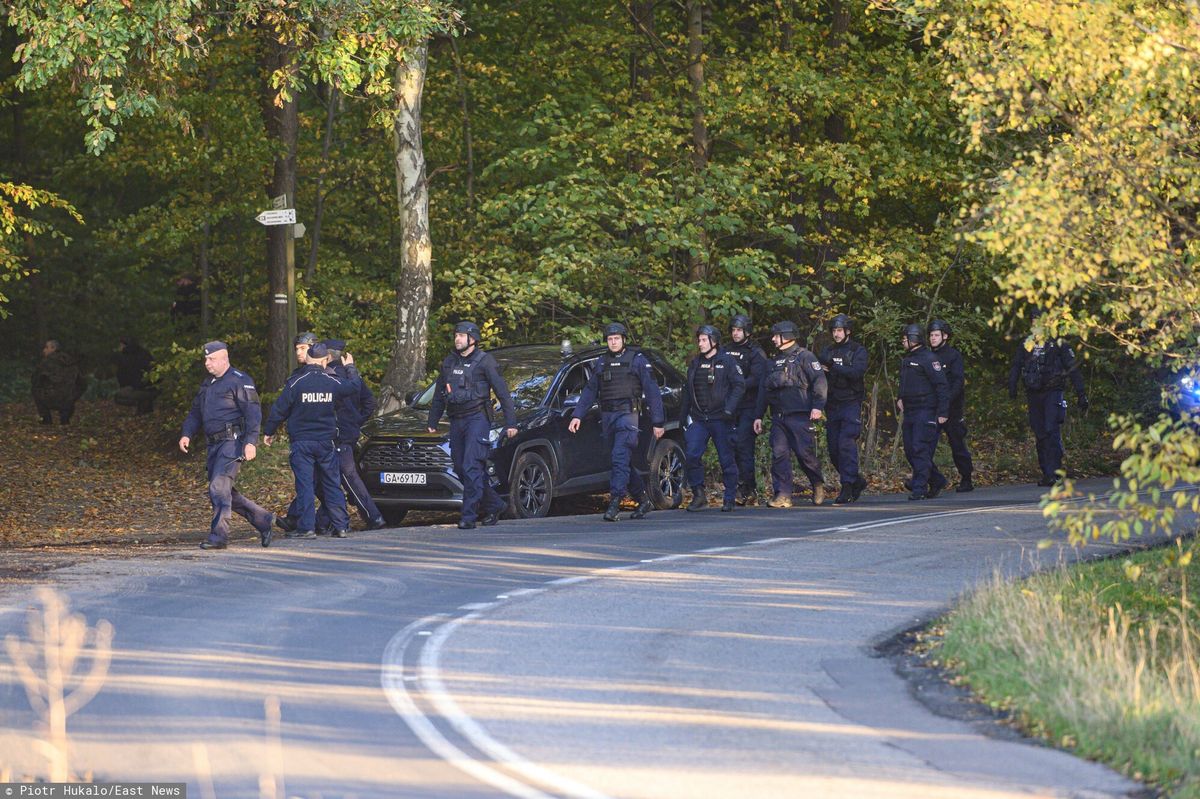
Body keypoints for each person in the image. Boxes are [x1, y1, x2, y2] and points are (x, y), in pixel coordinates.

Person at [178, 341, 275, 550]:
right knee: (225, 492)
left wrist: (251, 442)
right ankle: (263, 520)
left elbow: (253, 413)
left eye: (211, 359)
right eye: (206, 359)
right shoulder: (208, 384)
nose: (207, 363)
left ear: (224, 359)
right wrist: (186, 433)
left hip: (233, 442)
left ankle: (219, 537)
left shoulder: (239, 381)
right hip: (213, 445)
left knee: (218, 487)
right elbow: (195, 412)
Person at [263, 342, 363, 539]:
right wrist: (350, 367)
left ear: (308, 359)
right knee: (332, 484)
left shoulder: (295, 383)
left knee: (305, 485)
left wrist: (269, 431)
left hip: (302, 442)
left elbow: (279, 409)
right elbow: (354, 387)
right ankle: (342, 526)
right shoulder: (331, 382)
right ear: (325, 361)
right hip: (326, 442)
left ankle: (306, 528)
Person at [568, 322, 665, 522]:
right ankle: (642, 499)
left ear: (623, 340)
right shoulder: (602, 362)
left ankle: (615, 502)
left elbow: (653, 391)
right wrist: (577, 415)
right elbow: (590, 390)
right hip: (608, 418)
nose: (613, 342)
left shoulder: (637, 360)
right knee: (622, 461)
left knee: (619, 458)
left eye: (616, 339)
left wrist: (658, 421)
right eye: (610, 339)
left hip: (628, 416)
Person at [426, 322, 518, 530]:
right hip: (456, 420)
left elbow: (503, 393)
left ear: (472, 339)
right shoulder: (449, 362)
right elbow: (440, 393)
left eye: (461, 335)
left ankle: (468, 515)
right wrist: (432, 421)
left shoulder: (485, 362)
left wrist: (511, 423)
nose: (457, 339)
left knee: (471, 465)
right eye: (456, 335)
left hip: (477, 419)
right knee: (460, 467)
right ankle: (495, 504)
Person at [754, 321, 828, 507]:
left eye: (775, 335)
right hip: (779, 416)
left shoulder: (805, 357)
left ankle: (817, 483)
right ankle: (783, 495)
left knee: (805, 455)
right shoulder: (771, 362)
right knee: (779, 454)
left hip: (800, 415)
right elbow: (764, 391)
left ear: (785, 336)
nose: (772, 339)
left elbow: (819, 380)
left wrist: (818, 406)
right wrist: (758, 415)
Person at [1008, 319, 1089, 487]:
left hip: (1053, 391)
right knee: (1040, 432)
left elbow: (1072, 367)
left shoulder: (1058, 343)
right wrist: (1012, 385)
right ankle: (1046, 473)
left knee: (1051, 429)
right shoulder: (1026, 343)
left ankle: (1055, 472)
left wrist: (1081, 394)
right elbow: (1016, 365)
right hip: (1033, 392)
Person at [316, 339, 386, 531]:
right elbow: (369, 402)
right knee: (333, 477)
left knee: (347, 476)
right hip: (349, 431)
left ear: (327, 356)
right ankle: (322, 522)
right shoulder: (352, 376)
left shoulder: (328, 378)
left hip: (336, 433)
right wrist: (357, 420)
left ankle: (373, 515)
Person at [679, 325, 745, 512]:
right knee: (692, 454)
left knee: (726, 458)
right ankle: (699, 494)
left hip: (721, 418)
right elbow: (687, 392)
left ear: (713, 341)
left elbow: (739, 386)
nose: (700, 344)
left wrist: (729, 410)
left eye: (703, 340)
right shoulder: (695, 363)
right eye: (698, 340)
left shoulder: (728, 361)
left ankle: (730, 497)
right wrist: (683, 417)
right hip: (699, 418)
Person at [819, 314, 869, 504]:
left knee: (846, 445)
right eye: (834, 331)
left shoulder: (858, 350)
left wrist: (832, 367)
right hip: (832, 404)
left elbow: (856, 373)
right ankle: (856, 480)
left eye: (839, 330)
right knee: (834, 450)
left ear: (847, 331)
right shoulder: (828, 350)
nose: (836, 334)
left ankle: (847, 486)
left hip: (850, 403)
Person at [898, 324, 950, 501]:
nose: (903, 342)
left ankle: (919, 487)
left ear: (914, 339)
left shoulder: (929, 358)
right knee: (910, 450)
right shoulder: (907, 359)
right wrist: (900, 397)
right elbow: (904, 382)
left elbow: (942, 386)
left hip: (925, 410)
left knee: (920, 449)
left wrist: (943, 412)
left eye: (905, 339)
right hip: (910, 410)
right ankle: (937, 479)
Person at [722, 314, 767, 504]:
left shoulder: (756, 353)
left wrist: (737, 384)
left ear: (747, 331)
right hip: (730, 405)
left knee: (743, 445)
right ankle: (736, 486)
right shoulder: (725, 350)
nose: (735, 333)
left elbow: (757, 379)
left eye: (739, 330)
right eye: (733, 330)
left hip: (748, 404)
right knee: (730, 446)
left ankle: (748, 487)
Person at [928, 319, 974, 492]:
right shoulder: (927, 356)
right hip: (932, 407)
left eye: (936, 335)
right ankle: (929, 478)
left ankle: (966, 477)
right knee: (926, 444)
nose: (933, 338)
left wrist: (946, 401)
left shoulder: (953, 356)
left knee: (957, 444)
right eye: (931, 335)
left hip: (952, 408)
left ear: (945, 336)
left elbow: (958, 381)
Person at [32, 339, 84, 425]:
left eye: (46, 347)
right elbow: (82, 383)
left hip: (51, 397)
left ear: (53, 348)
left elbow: (35, 380)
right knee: (68, 397)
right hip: (68, 399)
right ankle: (65, 419)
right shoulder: (70, 361)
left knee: (35, 390)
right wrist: (74, 396)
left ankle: (46, 419)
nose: (44, 350)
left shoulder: (46, 362)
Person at [114, 336, 157, 414]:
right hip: (152, 387)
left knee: (119, 396)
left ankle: (142, 403)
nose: (119, 347)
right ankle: (144, 404)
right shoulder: (145, 353)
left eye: (121, 345)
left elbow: (122, 376)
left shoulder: (124, 357)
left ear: (125, 345)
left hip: (140, 388)